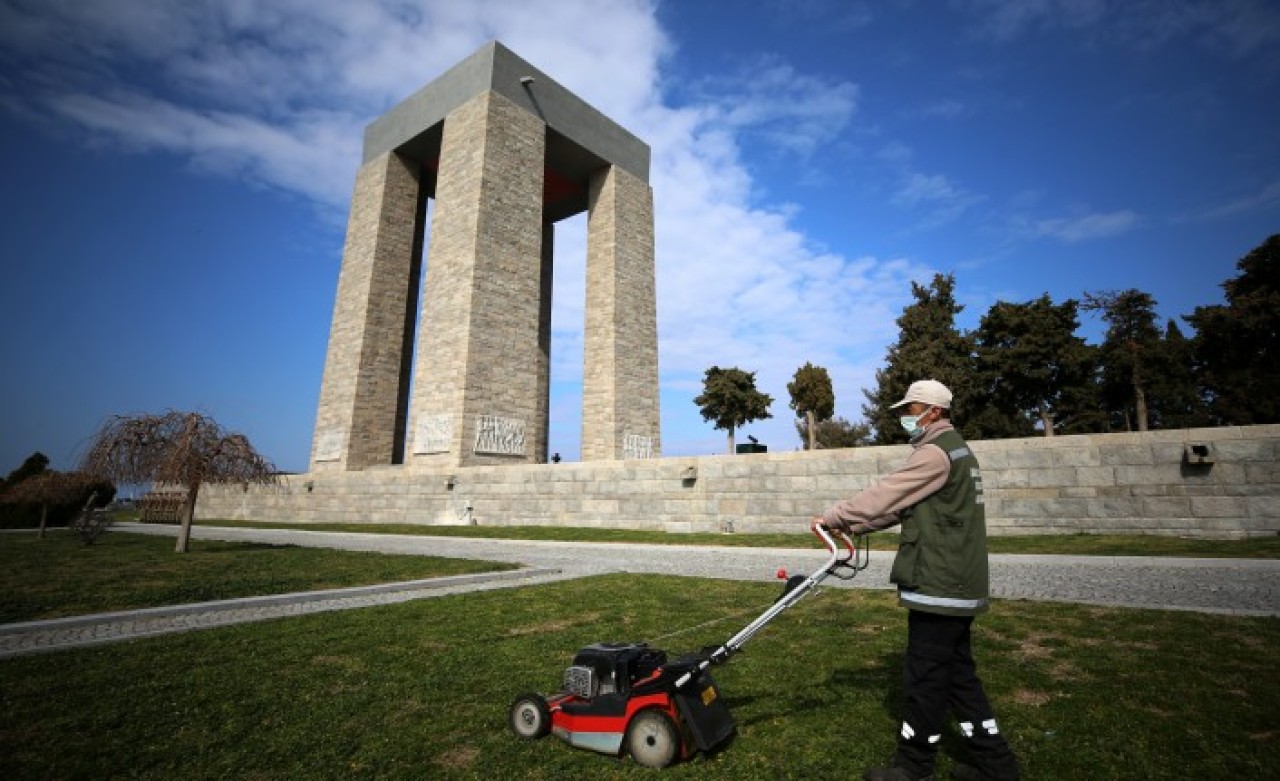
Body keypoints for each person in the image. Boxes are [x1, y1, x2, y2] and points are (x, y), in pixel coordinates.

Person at [814, 379, 1020, 781]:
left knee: (924, 678)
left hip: (940, 583)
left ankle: (913, 767)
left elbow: (887, 493)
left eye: (911, 410)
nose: (906, 418)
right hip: (957, 582)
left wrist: (835, 516)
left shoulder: (934, 454)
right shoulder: (957, 450)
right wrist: (858, 528)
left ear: (933, 412)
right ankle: (997, 766)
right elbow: (905, 509)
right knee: (959, 676)